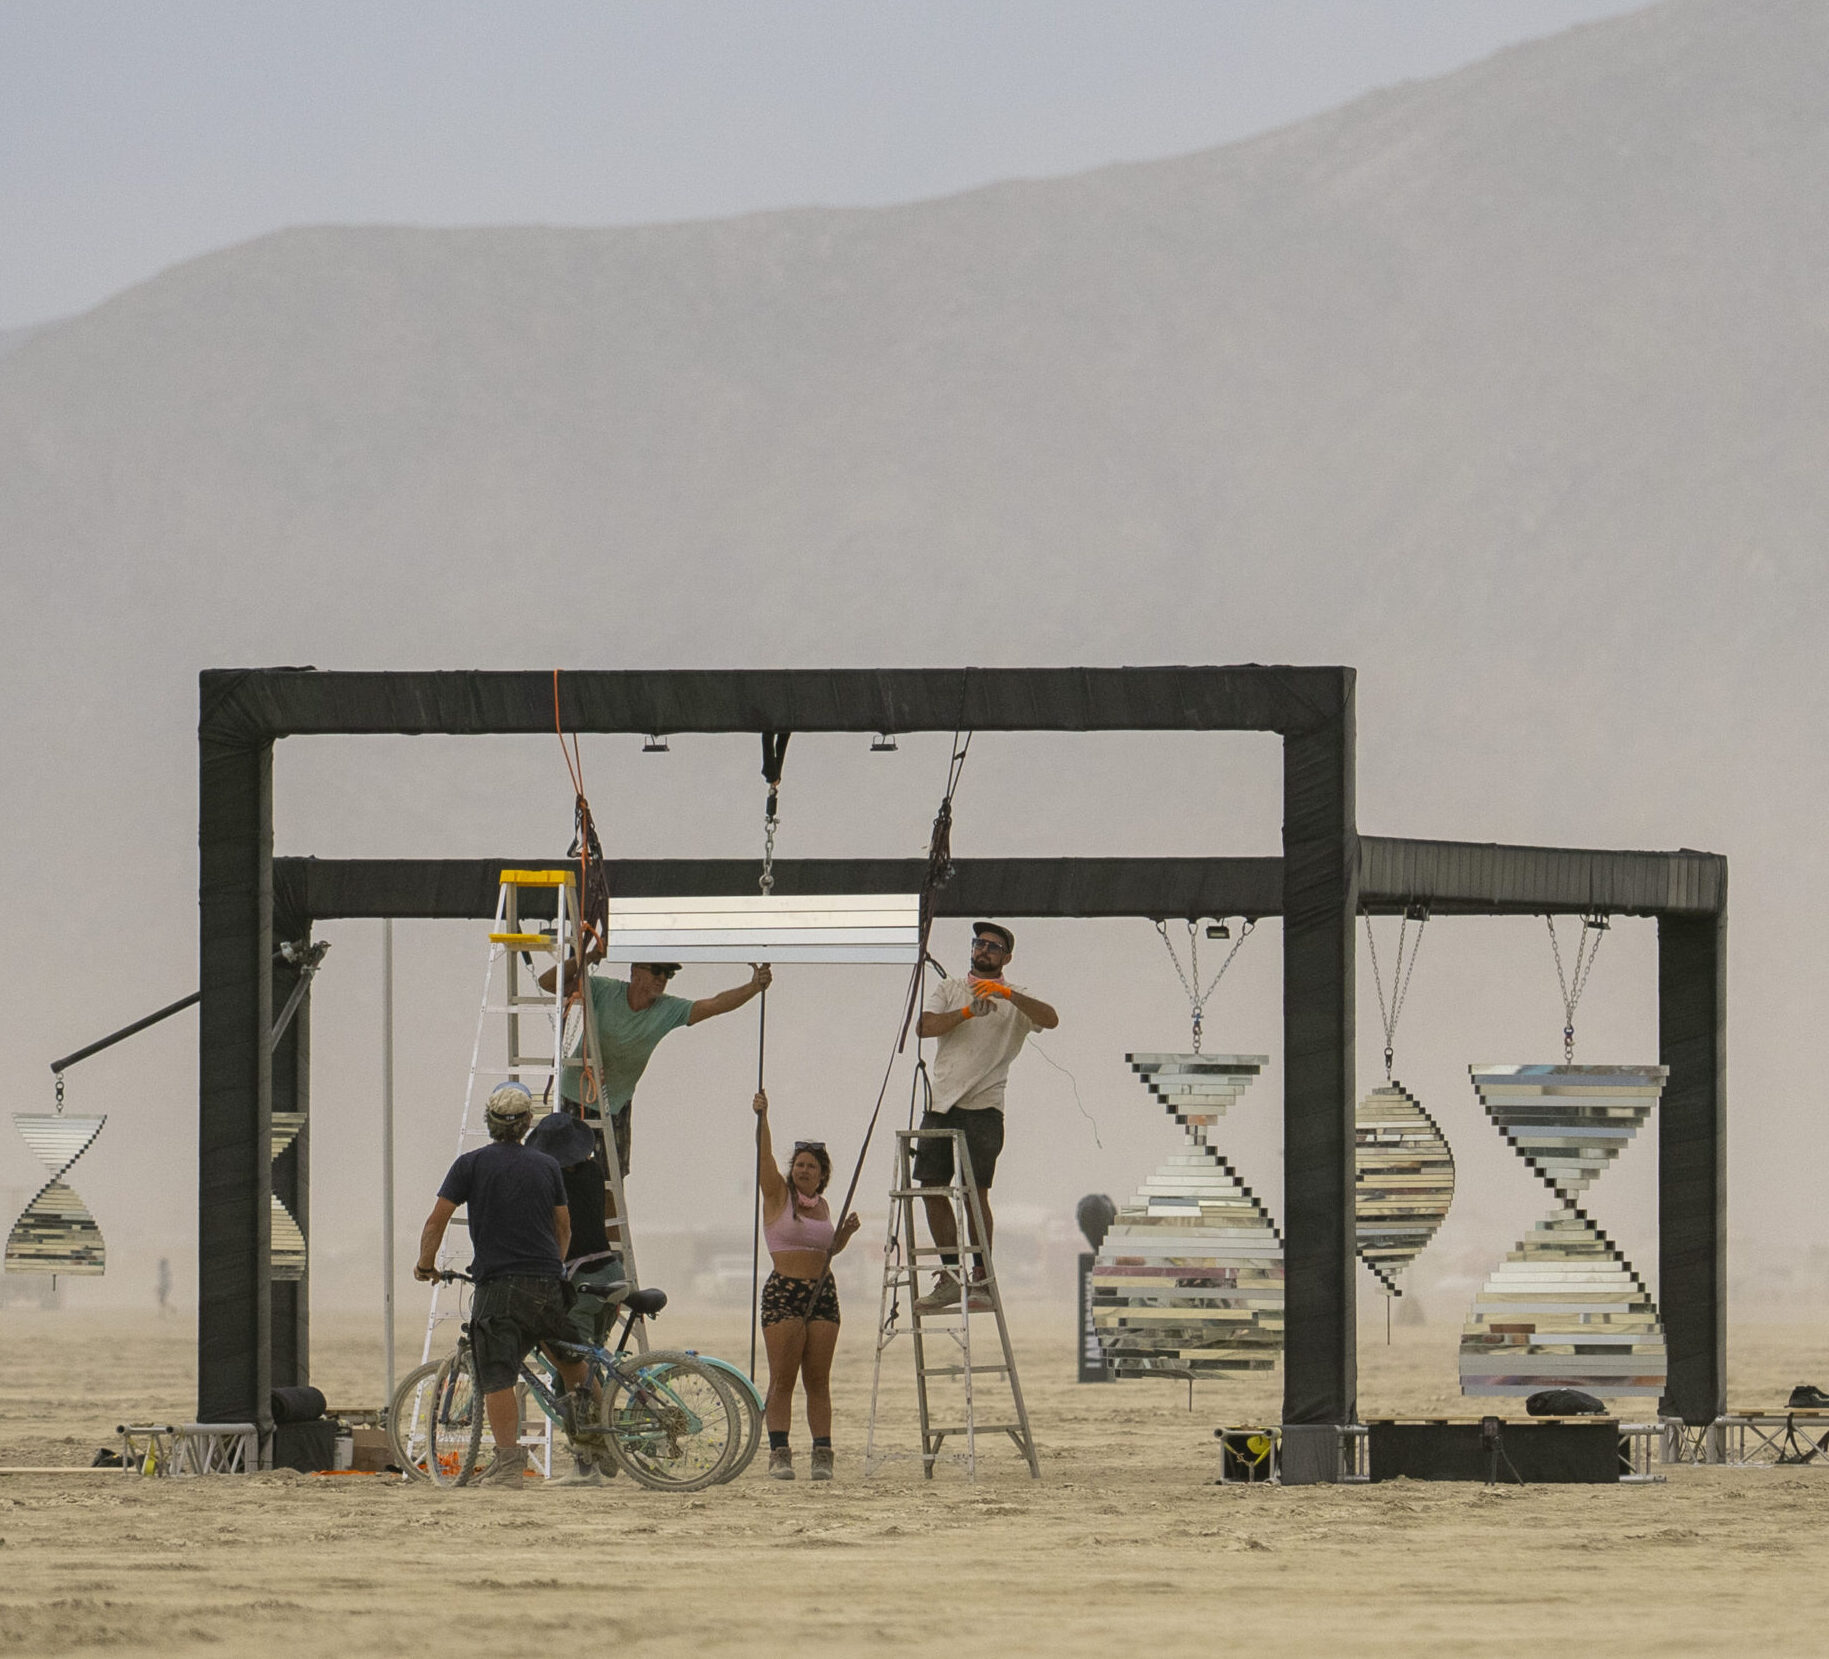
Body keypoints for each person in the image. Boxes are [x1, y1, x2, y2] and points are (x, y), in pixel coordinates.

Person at [414, 1081, 590, 1488]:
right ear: (528, 1123)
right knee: (571, 1362)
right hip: (547, 1281)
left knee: (497, 1374)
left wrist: (426, 1264)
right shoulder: (546, 1165)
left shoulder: (470, 1165)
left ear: (488, 1123)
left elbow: (436, 1221)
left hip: (498, 1287)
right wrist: (553, 1265)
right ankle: (596, 1446)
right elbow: (563, 1226)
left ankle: (509, 1464)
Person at [913, 921, 1059, 1312]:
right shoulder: (950, 989)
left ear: (1006, 957)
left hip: (984, 1108)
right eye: (980, 943)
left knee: (975, 1194)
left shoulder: (1015, 998)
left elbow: (1051, 1018)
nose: (984, 950)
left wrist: (1006, 993)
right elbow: (924, 1027)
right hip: (941, 1103)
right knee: (931, 1187)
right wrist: (965, 1012)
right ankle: (950, 1275)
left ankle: (982, 1278)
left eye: (993, 947)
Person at [539, 949, 772, 1190]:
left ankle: (607, 1229)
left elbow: (714, 1004)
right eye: (657, 970)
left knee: (610, 1186)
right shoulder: (603, 990)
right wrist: (591, 954)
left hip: (614, 1106)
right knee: (560, 1179)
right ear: (634, 971)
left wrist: (754, 987)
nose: (663, 978)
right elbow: (548, 983)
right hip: (573, 1097)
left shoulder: (668, 1009)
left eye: (668, 973)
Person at [752, 1088, 861, 1481]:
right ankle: (779, 1452)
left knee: (818, 1379)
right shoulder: (778, 1195)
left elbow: (828, 1250)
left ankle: (822, 1453)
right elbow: (764, 1159)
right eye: (799, 1165)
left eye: (811, 1167)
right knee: (783, 1377)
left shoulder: (824, 1207)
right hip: (784, 1292)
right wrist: (763, 1118)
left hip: (822, 1294)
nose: (803, 1171)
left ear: (822, 1174)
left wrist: (844, 1236)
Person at [526, 1106, 627, 1487]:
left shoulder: (557, 1182)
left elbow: (556, 1227)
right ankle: (601, 1449)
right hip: (609, 1271)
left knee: (571, 1372)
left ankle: (589, 1458)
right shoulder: (594, 1172)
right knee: (592, 1362)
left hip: (582, 1279)